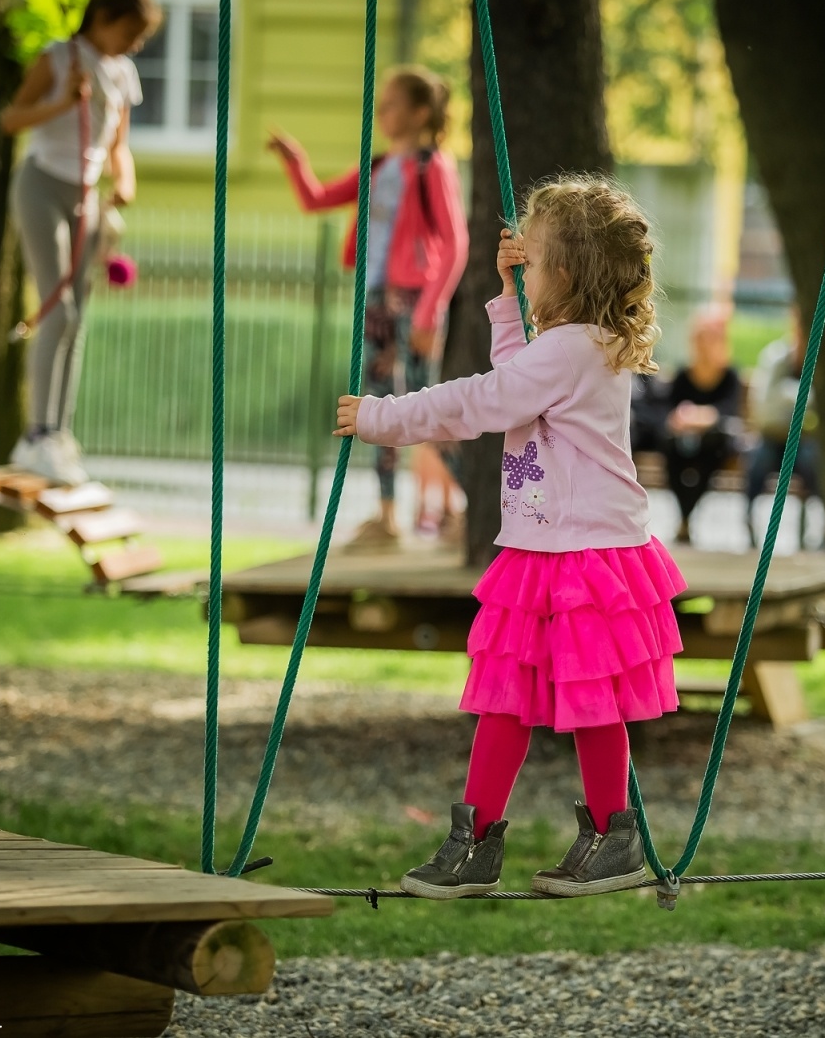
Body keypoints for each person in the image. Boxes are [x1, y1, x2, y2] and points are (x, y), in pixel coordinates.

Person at [335, 177, 682, 898]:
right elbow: (516, 375)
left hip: (582, 552)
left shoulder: (571, 351)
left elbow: (485, 401)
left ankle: (585, 839)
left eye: (538, 257)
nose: (527, 264)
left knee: (573, 703)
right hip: (550, 547)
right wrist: (505, 298)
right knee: (518, 697)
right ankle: (502, 842)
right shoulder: (578, 345)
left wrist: (382, 417)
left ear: (569, 271)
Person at [271, 66, 468, 551]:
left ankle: (464, 510)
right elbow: (317, 199)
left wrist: (430, 310)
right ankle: (387, 516)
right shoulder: (379, 167)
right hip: (377, 298)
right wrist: (296, 161)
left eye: (393, 103)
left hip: (414, 300)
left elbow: (455, 241)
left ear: (421, 112)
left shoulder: (431, 166)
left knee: (430, 405)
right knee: (376, 407)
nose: (383, 112)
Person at [1, 0, 159, 486]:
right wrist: (62, 103)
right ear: (104, 18)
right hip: (42, 183)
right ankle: (35, 436)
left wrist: (125, 180)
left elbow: (119, 145)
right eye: (130, 32)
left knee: (78, 318)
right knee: (57, 309)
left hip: (86, 193)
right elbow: (11, 119)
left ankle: (59, 435)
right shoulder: (59, 58)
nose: (134, 45)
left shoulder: (122, 72)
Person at [660, 306, 743, 543]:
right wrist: (682, 419)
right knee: (670, 450)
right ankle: (685, 518)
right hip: (681, 443)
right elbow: (668, 411)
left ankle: (685, 518)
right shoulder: (683, 375)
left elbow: (729, 412)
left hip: (712, 445)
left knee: (713, 453)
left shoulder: (729, 376)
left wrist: (703, 417)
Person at [744, 307, 821, 549]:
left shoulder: (820, 361)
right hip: (772, 437)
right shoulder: (776, 358)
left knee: (814, 462)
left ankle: (816, 528)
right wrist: (803, 401)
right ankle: (749, 523)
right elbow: (764, 410)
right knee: (758, 463)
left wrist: (787, 398)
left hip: (805, 441)